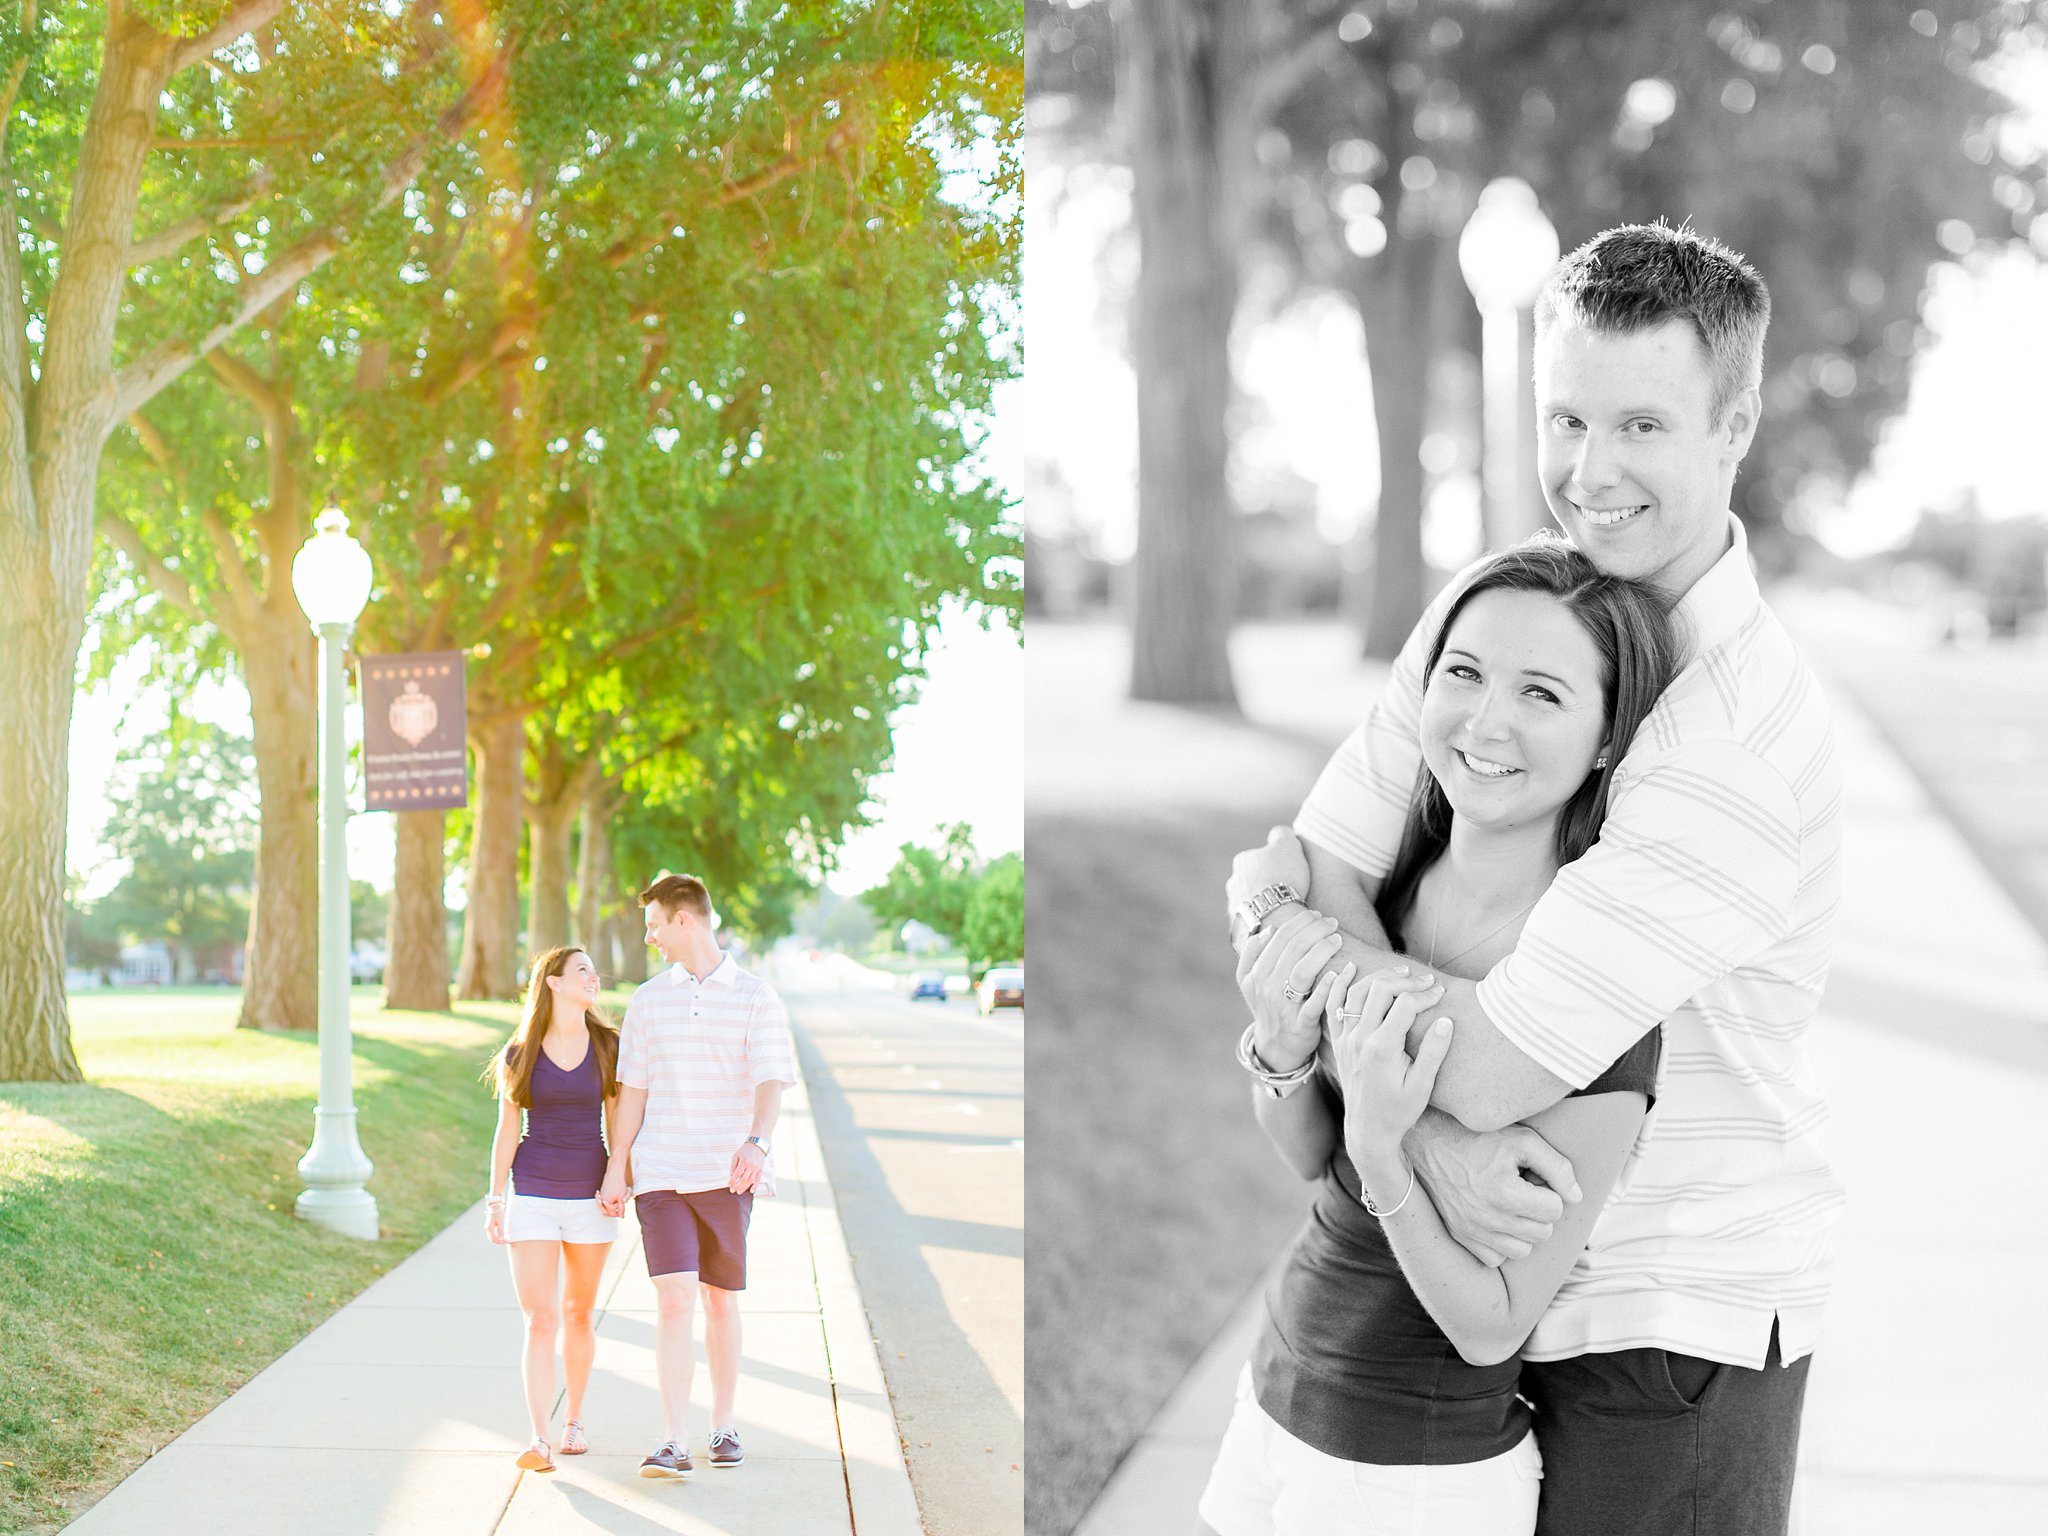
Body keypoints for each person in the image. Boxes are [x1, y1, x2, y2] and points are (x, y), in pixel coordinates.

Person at [1227, 222, 1845, 1535]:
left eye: (1640, 427)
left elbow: (1497, 1066)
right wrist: (1429, 1141)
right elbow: (1296, 873)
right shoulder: (1507, 616)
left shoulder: (1726, 745)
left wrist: (1414, 1123)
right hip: (1472, 1316)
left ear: (1734, 425)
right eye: (1566, 419)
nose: (1587, 470)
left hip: (1664, 1341)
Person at [1197, 539, 1677, 1535]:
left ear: (1603, 738)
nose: (1485, 720)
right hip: (1275, 1391)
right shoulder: (1385, 890)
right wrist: (1284, 1048)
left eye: (1541, 693)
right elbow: (1305, 1158)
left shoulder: (1581, 990)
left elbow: (1491, 1320)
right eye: (1462, 672)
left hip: (1405, 1470)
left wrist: (1385, 1149)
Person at [599, 873, 797, 1480]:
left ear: (684, 920)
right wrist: (617, 1168)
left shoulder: (756, 996)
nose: (650, 936)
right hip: (660, 1172)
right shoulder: (648, 1000)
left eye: (655, 924)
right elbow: (631, 1093)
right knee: (675, 1297)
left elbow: (771, 1079)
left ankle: (725, 1425)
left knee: (718, 1300)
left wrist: (757, 1143)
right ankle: (673, 1439)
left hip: (726, 1173)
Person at [483, 944, 623, 1474]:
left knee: (578, 1315)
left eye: (594, 971)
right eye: (582, 971)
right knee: (540, 1320)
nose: (594, 978)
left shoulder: (608, 1045)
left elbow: (619, 1124)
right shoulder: (520, 1052)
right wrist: (496, 1198)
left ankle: (576, 1420)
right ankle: (538, 1435)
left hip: (590, 1199)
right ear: (554, 983)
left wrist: (617, 1180)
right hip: (534, 1197)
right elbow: (506, 1131)